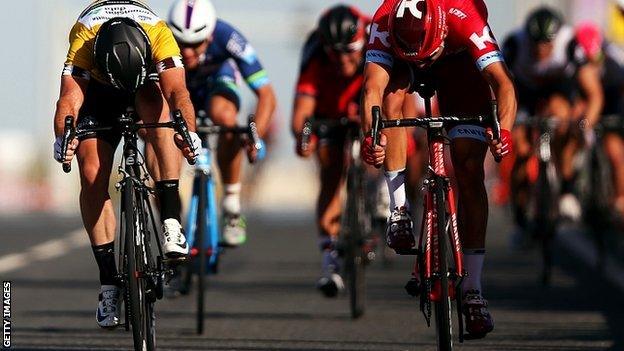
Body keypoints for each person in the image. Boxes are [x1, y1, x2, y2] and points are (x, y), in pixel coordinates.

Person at [361, 0, 516, 338]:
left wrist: (503, 131)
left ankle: (473, 289)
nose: (423, 60)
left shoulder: (466, 17)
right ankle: (399, 209)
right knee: (391, 99)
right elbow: (372, 86)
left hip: (458, 64)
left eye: (425, 54)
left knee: (469, 166)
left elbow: (502, 83)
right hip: (404, 67)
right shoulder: (385, 20)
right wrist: (372, 137)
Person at [53, 0, 199, 328]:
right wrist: (64, 136)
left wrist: (188, 133)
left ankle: (171, 222)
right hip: (98, 94)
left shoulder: (159, 33)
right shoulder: (84, 38)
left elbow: (179, 93)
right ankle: (108, 282)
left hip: (144, 84)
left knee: (163, 116)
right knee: (91, 172)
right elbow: (69, 99)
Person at [167, 0, 276, 246]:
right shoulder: (161, 36)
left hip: (217, 84)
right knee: (161, 132)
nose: (187, 53)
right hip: (178, 91)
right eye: (180, 44)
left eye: (195, 44)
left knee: (226, 118)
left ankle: (231, 205)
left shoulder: (228, 36)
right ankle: (171, 222)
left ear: (210, 34)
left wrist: (255, 135)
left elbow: (266, 94)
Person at [291, 5, 371, 297]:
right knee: (330, 174)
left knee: (385, 136)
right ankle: (330, 263)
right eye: (335, 53)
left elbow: (399, 100)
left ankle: (385, 196)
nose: (343, 60)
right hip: (329, 114)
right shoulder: (315, 53)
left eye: (349, 51)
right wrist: (305, 137)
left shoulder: (377, 38)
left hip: (369, 107)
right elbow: (301, 115)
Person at [502, 7, 603, 233]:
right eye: (535, 43)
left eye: (547, 43)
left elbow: (594, 94)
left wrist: (584, 126)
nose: (541, 49)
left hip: (558, 91)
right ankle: (519, 212)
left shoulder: (569, 43)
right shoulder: (514, 46)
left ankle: (567, 188)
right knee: (520, 147)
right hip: (524, 93)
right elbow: (499, 88)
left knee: (563, 120)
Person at [575, 22, 624, 218]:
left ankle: (620, 199)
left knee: (616, 155)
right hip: (592, 107)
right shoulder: (580, 66)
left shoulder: (615, 59)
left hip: (616, 108)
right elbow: (585, 98)